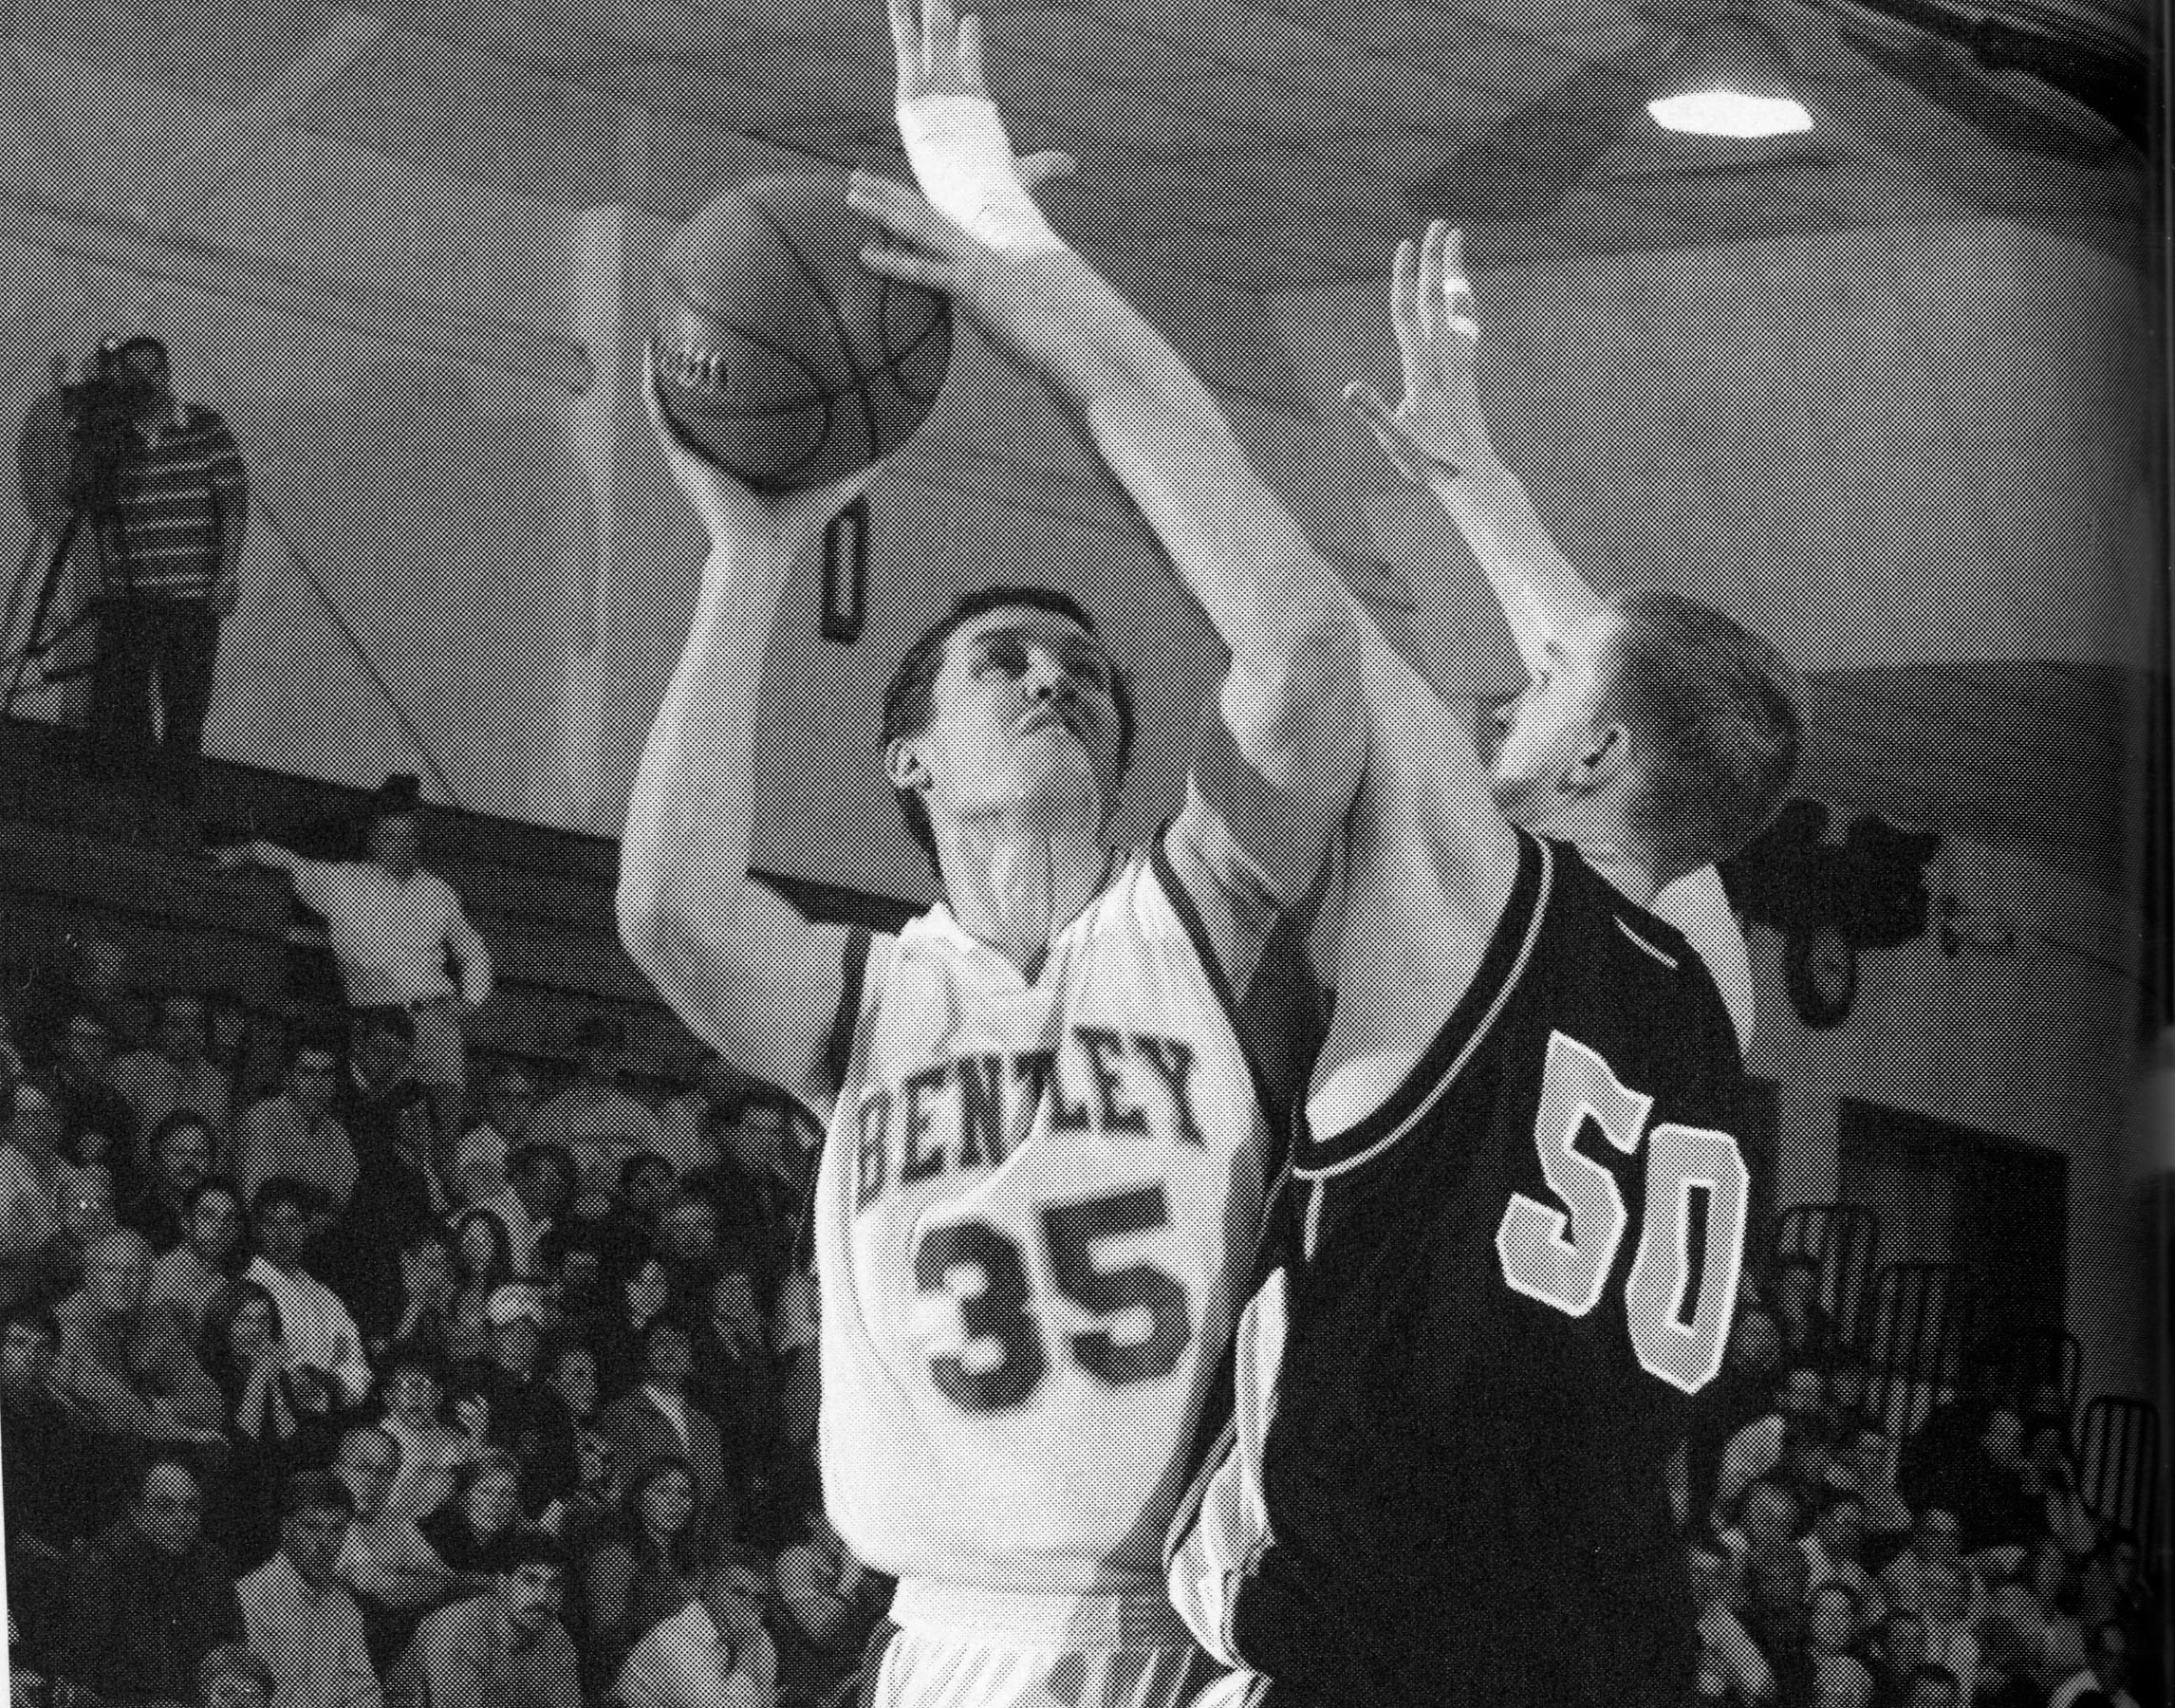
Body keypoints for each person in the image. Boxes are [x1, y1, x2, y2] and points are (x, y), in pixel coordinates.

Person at [622, 9, 1375, 1707]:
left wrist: (1031, 289)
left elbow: (1308, 663)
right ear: (909, 757)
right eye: (1003, 663)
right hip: (941, 1645)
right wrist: (752, 551)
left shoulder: (1202, 914)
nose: (1054, 676)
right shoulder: (867, 998)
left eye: (1088, 673)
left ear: (1121, 746)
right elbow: (669, 913)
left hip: (1189, 1635)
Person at [1162, 204, 1794, 1701]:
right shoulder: (1714, 981)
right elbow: (1655, 712)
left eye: (1546, 686)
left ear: (1599, 758)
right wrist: (1482, 487)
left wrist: (1036, 288)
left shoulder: (1468, 896)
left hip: (1378, 1634)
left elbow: (1288, 609)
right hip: (1601, 1655)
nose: (1515, 691)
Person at [214, 778, 492, 1138]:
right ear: (373, 839)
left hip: (433, 1021)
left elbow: (472, 948)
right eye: (388, 835)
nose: (399, 844)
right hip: (377, 1026)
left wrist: (467, 1001)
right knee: (373, 1127)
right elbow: (286, 860)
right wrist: (240, 853)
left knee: (444, 1137)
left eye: (407, 835)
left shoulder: (438, 892)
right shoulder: (342, 882)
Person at [77, 336, 247, 826]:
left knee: (185, 702)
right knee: (128, 696)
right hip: (138, 592)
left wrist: (227, 572)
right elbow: (101, 513)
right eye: (133, 371)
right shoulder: (115, 440)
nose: (144, 379)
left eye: (153, 369)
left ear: (167, 373)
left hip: (193, 591)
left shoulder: (202, 425)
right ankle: (130, 808)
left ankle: (176, 809)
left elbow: (233, 500)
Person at [56, 1454, 243, 1704]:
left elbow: (232, 1652)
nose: (181, 1519)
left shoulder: (212, 1563)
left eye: (191, 1506)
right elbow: (84, 1671)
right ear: (136, 1511)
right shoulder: (101, 1565)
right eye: (164, 1507)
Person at [235, 1469, 384, 1708]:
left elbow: (363, 1691)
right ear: (286, 1528)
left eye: (336, 1529)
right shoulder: (250, 1597)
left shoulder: (343, 1603)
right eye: (312, 1527)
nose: (326, 1542)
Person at [389, 1532, 584, 1708]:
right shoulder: (458, 1629)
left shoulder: (556, 1636)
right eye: (530, 1581)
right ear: (503, 1584)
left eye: (555, 1585)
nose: (542, 1596)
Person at [244, 1176, 376, 1406]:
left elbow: (355, 1364)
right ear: (257, 1229)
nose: (281, 1233)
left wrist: (333, 1385)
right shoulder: (245, 1290)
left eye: (292, 1222)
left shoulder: (323, 1295)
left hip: (334, 1416)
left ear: (307, 1228)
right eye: (271, 1223)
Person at [232, 1037, 356, 1216]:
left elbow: (342, 1206)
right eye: (307, 1073)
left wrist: (292, 1191)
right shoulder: (263, 1117)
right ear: (288, 1077)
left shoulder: (338, 1136)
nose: (317, 1085)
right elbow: (263, 1199)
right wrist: (319, 1199)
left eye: (326, 1074)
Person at [110, 994, 232, 1174]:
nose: (189, 1034)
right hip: (144, 1186)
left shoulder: (216, 1081)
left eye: (196, 1025)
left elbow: (221, 1149)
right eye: (178, 1025)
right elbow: (116, 1141)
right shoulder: (130, 1070)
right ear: (159, 1031)